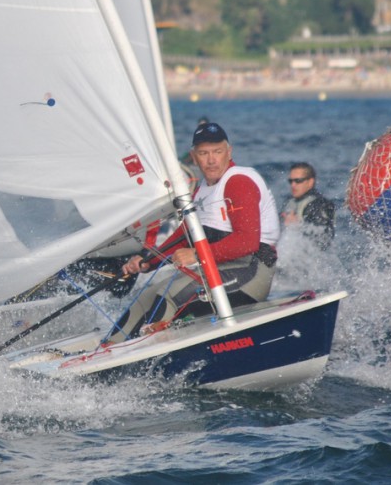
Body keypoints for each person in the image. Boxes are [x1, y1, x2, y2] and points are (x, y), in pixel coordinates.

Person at [110, 122, 280, 343]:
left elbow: (247, 242)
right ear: (194, 156)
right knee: (147, 295)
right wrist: (149, 261)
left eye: (217, 152)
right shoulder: (204, 189)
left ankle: (142, 361)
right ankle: (107, 348)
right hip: (220, 269)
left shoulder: (238, 181)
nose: (211, 160)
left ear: (229, 152)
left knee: (169, 296)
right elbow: (186, 234)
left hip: (252, 272)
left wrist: (197, 255)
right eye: (204, 153)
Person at [280, 162, 336, 250]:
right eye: (291, 181)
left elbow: (325, 240)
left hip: (312, 259)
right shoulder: (289, 202)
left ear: (310, 182)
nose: (293, 185)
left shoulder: (320, 204)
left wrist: (297, 226)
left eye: (298, 181)